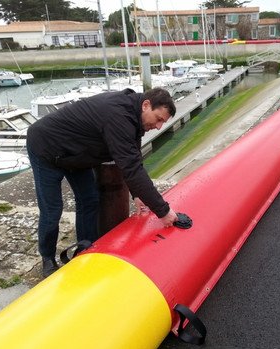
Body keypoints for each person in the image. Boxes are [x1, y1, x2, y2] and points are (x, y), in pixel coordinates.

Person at [27, 87, 179, 277]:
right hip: (46, 147)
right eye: (158, 119)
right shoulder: (118, 114)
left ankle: (84, 249)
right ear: (146, 105)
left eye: (162, 123)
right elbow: (131, 168)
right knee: (52, 210)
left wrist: (137, 194)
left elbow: (132, 158)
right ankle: (47, 258)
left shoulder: (134, 117)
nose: (158, 127)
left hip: (76, 154)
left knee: (90, 199)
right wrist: (163, 211)